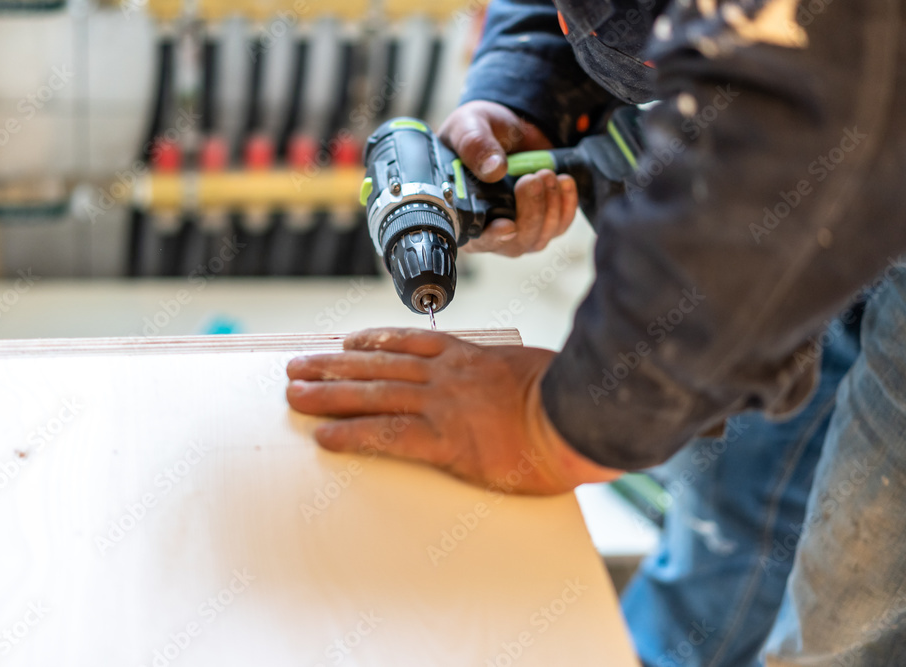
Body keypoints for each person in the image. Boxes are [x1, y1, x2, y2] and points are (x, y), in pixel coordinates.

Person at [286, 0, 906, 663]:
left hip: (842, 136)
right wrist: (525, 91)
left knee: (852, 599)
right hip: (813, 156)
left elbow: (797, 106)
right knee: (730, 500)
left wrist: (555, 424)